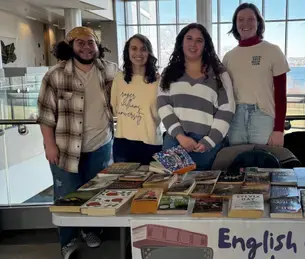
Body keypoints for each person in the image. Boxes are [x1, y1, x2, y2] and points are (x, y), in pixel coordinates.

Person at [37, 26, 117, 259]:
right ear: (70, 46)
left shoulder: (110, 71)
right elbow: (45, 114)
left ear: (97, 46)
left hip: (100, 145)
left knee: (96, 193)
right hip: (65, 148)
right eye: (80, 42)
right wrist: (49, 145)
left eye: (90, 42)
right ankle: (68, 240)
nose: (86, 47)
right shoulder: (55, 75)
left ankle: (90, 230)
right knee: (67, 197)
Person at [157, 23, 235, 170]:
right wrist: (180, 136)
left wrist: (209, 141)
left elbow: (227, 109)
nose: (193, 44)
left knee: (205, 190)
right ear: (181, 42)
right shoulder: (169, 72)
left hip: (205, 145)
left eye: (199, 40)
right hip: (175, 141)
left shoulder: (219, 74)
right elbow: (163, 105)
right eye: (189, 38)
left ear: (205, 45)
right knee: (173, 189)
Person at [223, 3, 290, 147]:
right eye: (240, 19)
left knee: (263, 165)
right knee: (238, 163)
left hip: (263, 116)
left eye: (251, 19)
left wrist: (279, 130)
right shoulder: (228, 57)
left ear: (258, 22)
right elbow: (224, 94)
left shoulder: (273, 51)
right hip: (236, 118)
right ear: (235, 24)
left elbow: (280, 94)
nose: (245, 23)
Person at [111, 34, 162, 165]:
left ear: (149, 52)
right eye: (134, 48)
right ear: (127, 52)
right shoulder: (119, 78)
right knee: (123, 185)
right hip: (123, 143)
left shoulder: (158, 81)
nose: (138, 53)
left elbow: (162, 112)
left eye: (143, 49)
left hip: (151, 142)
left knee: (152, 185)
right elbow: (115, 107)